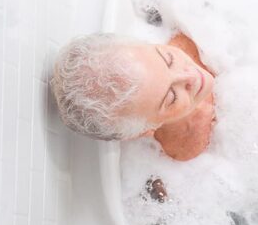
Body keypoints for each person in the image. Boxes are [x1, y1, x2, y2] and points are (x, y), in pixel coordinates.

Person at [50, 32, 216, 161]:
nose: (191, 77)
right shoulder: (186, 148)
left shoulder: (194, 37)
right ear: (145, 131)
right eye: (172, 97)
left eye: (168, 59)